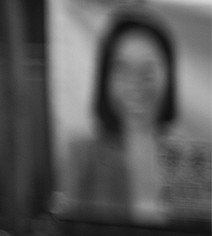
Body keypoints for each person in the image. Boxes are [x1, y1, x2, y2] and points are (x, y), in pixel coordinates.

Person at [70, 12, 211, 224]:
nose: (135, 82)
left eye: (148, 69)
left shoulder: (190, 157)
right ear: (104, 77)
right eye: (122, 69)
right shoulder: (82, 156)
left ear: (169, 75)